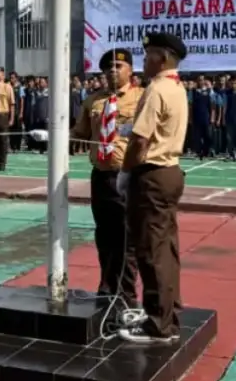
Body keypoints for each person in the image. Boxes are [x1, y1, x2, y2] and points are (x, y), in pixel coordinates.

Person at [117, 32, 189, 344]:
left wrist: (125, 170)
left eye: (147, 56)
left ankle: (160, 324)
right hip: (170, 171)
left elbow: (140, 140)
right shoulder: (176, 86)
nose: (143, 62)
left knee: (151, 250)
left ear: (161, 57)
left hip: (152, 175)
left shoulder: (156, 89)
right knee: (166, 249)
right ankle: (166, 311)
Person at [72, 48, 143, 312]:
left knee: (127, 239)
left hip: (126, 176)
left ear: (130, 70)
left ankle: (125, 295)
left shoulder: (141, 98)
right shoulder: (94, 101)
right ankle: (107, 287)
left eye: (118, 66)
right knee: (105, 236)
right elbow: (79, 133)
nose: (113, 71)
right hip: (101, 176)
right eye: (108, 68)